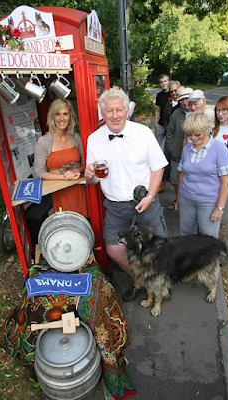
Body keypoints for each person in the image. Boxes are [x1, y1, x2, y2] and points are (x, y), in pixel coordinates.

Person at [84, 86, 168, 302]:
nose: (114, 115)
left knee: (158, 247)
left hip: (145, 201)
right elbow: (92, 180)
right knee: (113, 249)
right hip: (115, 206)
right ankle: (139, 280)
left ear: (126, 110)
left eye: (119, 110)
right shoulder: (94, 139)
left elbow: (158, 167)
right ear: (102, 113)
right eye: (109, 111)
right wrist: (89, 174)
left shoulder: (142, 133)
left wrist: (150, 196)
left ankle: (159, 283)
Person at [175, 112, 228, 239]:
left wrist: (220, 208)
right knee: (186, 236)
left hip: (208, 202)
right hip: (186, 199)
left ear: (206, 130)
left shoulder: (220, 150)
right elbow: (182, 175)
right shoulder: (186, 149)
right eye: (189, 134)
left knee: (208, 240)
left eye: (197, 134)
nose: (193, 138)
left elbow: (226, 182)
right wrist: (178, 198)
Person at [34, 98, 88, 217]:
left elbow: (85, 164)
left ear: (70, 116)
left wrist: (75, 171)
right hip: (58, 190)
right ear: (52, 116)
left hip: (79, 189)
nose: (62, 118)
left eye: (65, 114)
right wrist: (63, 177)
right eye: (57, 114)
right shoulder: (44, 141)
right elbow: (39, 172)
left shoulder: (76, 137)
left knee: (83, 225)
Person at [165, 87, 193, 210]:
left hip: (193, 157)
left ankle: (189, 205)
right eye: (182, 100)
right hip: (177, 155)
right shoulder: (176, 114)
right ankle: (178, 201)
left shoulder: (198, 114)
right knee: (176, 181)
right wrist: (172, 149)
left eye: (187, 99)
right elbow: (170, 132)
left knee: (191, 181)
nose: (184, 102)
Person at [159, 81, 182, 194]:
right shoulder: (168, 104)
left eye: (175, 91)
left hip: (179, 138)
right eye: (172, 91)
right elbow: (164, 117)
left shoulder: (182, 105)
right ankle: (163, 182)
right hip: (169, 135)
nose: (174, 93)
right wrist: (166, 127)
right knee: (166, 159)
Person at [154, 74, 170, 147]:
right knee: (157, 145)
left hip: (170, 124)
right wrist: (155, 124)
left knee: (168, 145)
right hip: (161, 124)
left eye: (165, 81)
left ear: (168, 81)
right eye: (161, 82)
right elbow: (158, 110)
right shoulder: (159, 95)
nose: (163, 84)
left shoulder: (172, 94)